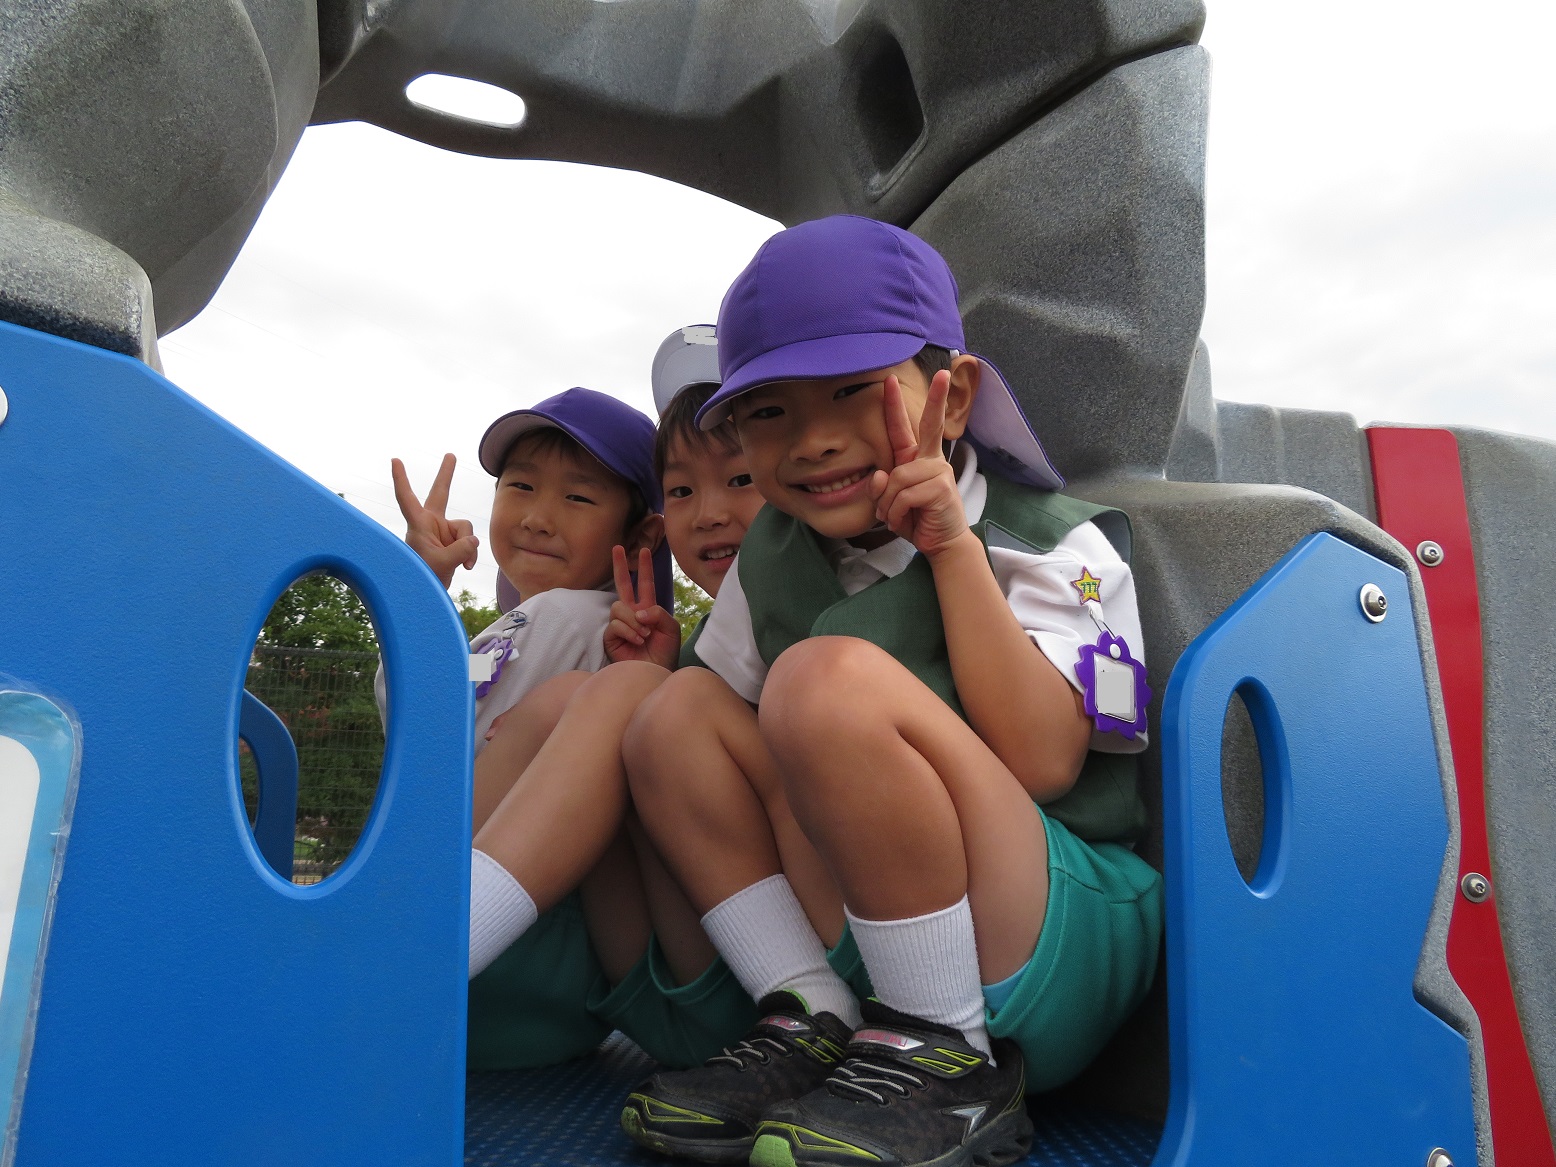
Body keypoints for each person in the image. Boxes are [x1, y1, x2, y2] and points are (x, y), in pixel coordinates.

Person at [621, 216, 1163, 1167]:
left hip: (1055, 938)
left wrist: (952, 551)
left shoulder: (1050, 541)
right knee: (672, 715)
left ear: (953, 399)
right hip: (876, 944)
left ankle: (944, 1051)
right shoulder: (772, 554)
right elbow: (708, 751)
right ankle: (812, 1012)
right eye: (770, 412)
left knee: (821, 680)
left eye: (853, 392)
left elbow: (1044, 761)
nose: (815, 440)